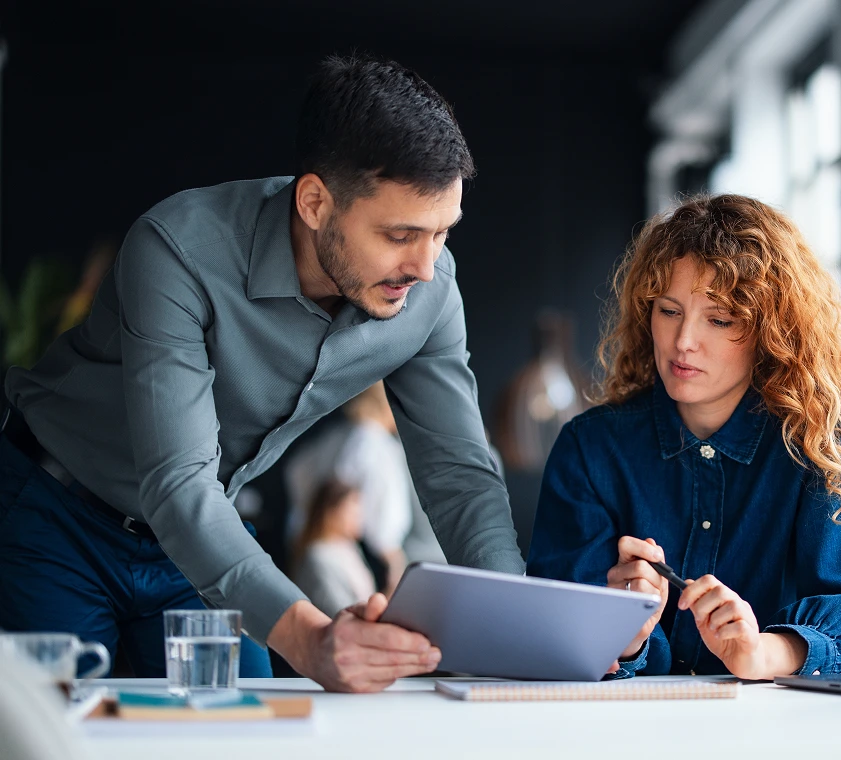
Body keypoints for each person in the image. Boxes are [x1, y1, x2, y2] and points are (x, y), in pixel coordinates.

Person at [0, 54, 525, 693]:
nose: (424, 265)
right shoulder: (177, 249)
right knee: (55, 737)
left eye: (443, 233)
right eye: (400, 234)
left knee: (246, 736)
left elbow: (460, 475)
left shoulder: (429, 291)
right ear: (314, 202)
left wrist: (514, 631)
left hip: (201, 545)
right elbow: (179, 481)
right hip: (56, 517)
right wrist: (312, 639)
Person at [527, 194, 841, 679]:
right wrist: (625, 641)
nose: (683, 340)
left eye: (719, 319)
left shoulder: (823, 447)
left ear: (774, 332)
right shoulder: (589, 451)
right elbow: (549, 637)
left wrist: (765, 652)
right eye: (669, 311)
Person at [285, 381, 446, 599]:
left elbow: (296, 470)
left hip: (315, 542)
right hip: (364, 554)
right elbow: (384, 515)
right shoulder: (377, 445)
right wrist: (394, 561)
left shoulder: (336, 436)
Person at [292, 480, 378, 618]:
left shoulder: (350, 548)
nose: (360, 518)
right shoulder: (318, 556)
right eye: (353, 513)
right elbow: (337, 610)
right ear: (331, 512)